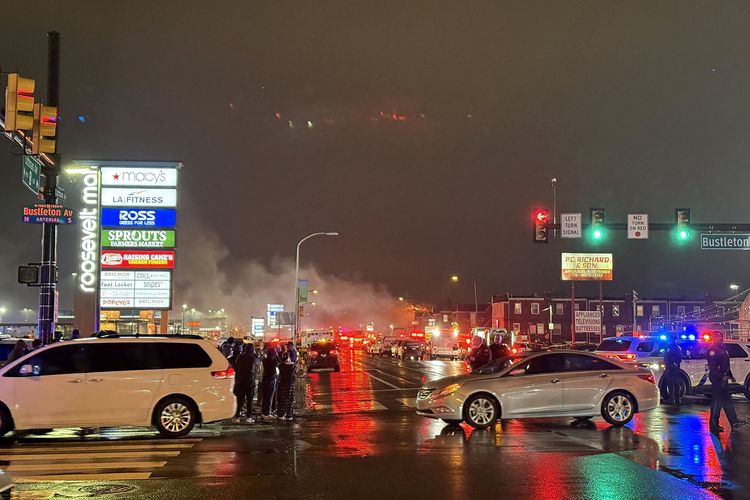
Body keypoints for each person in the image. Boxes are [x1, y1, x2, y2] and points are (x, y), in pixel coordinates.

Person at [707, 331, 746, 434]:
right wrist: (721, 376)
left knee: (723, 401)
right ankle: (716, 425)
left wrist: (730, 376)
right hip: (717, 379)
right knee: (718, 402)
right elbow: (713, 367)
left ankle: (732, 422)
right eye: (719, 337)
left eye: (721, 337)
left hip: (723, 379)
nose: (721, 339)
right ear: (714, 338)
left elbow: (726, 365)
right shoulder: (712, 349)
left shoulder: (723, 349)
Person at [233, 344, 259, 423]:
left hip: (240, 380)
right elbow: (257, 367)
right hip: (250, 381)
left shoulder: (240, 357)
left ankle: (237, 416)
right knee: (249, 400)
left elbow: (236, 367)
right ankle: (248, 417)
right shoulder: (254, 358)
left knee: (239, 400)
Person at [260, 345, 280, 420]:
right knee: (269, 398)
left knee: (265, 397)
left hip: (265, 380)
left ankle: (264, 412)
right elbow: (279, 364)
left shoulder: (264, 360)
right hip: (271, 380)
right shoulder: (274, 361)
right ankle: (267, 413)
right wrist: (277, 355)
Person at [277, 350, 297, 420]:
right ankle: (289, 415)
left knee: (282, 399)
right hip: (290, 384)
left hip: (282, 383)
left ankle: (281, 414)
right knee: (290, 399)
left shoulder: (280, 365)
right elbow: (294, 374)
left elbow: (279, 375)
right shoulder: (293, 365)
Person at [663, 337, 683, 405]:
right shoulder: (674, 347)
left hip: (672, 368)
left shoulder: (673, 348)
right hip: (672, 367)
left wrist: (672, 364)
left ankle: (673, 399)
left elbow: (677, 358)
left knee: (672, 383)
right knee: (674, 383)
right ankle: (676, 398)